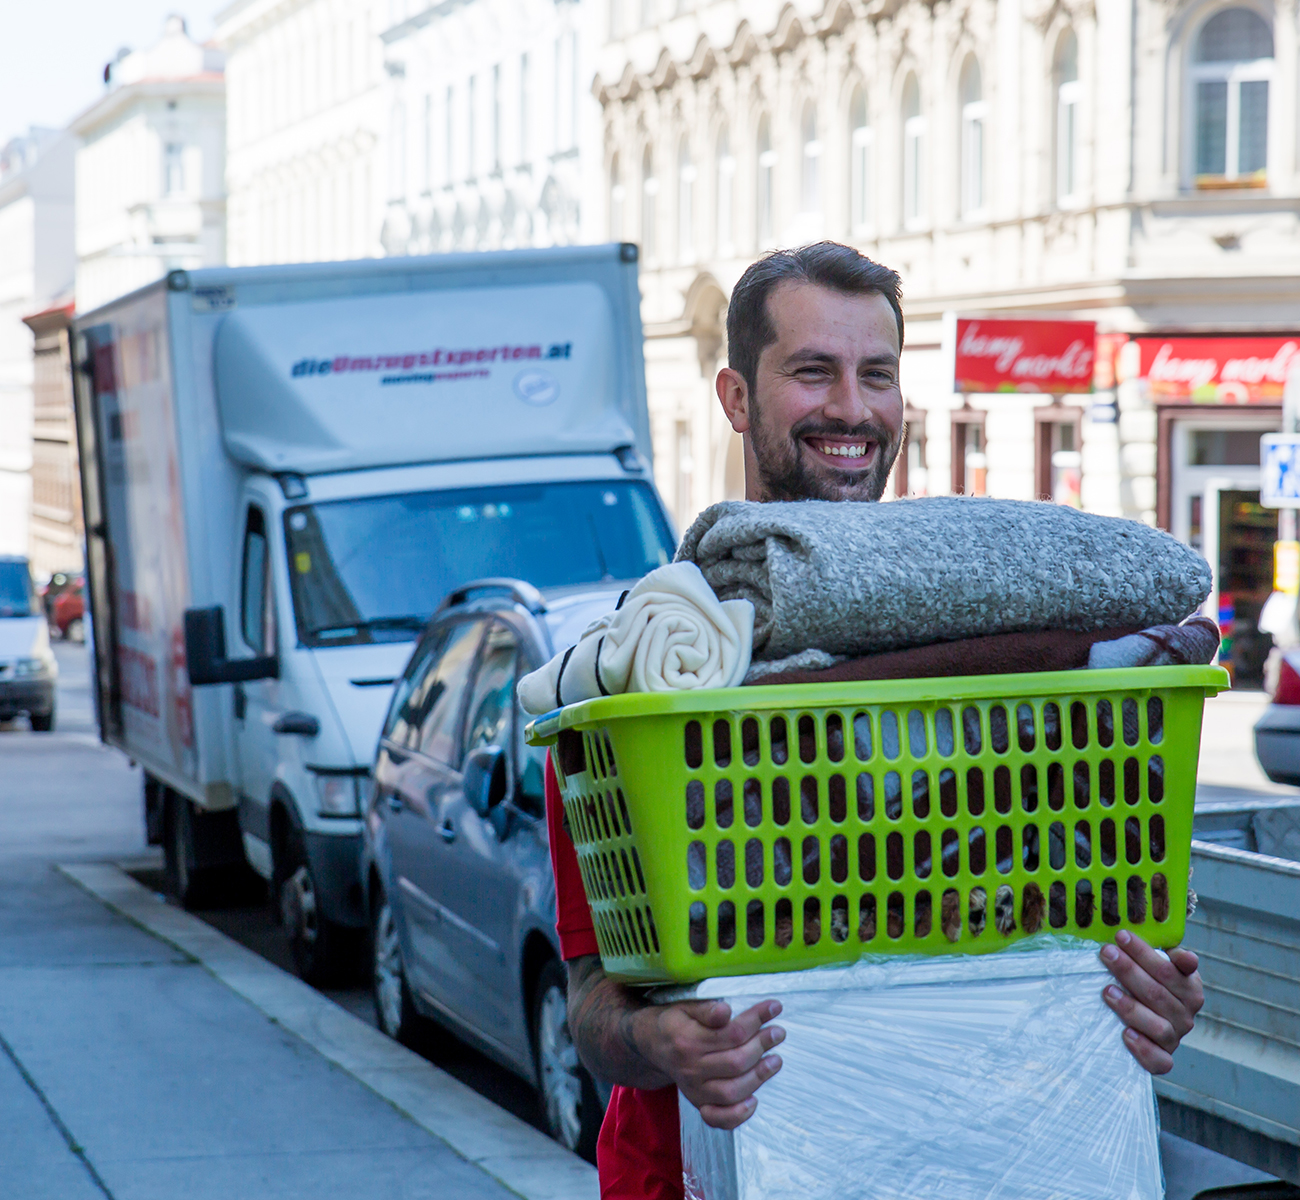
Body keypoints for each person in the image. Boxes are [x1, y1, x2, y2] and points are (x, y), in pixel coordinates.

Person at [546, 241, 1205, 1200]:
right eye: (813, 372)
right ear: (736, 398)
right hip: (703, 1172)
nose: (853, 411)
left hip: (1002, 1161)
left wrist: (1156, 992)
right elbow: (592, 1003)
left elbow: (1098, 916)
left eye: (878, 376)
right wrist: (657, 1036)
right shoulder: (647, 669)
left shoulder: (1033, 651)